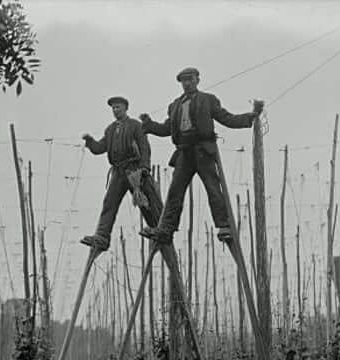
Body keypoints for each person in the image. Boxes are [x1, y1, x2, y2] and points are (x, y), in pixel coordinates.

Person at [139, 67, 262, 244]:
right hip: (183, 152)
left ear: (197, 80)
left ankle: (224, 226)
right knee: (175, 192)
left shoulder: (208, 100)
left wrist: (248, 118)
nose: (187, 83)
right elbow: (167, 129)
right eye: (183, 80)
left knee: (213, 188)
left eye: (190, 79)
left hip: (202, 150)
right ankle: (166, 229)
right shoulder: (175, 105)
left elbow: (226, 118)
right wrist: (149, 125)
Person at [80, 96, 151, 251]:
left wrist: (145, 167)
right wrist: (90, 141)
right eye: (113, 108)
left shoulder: (135, 126)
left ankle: (158, 229)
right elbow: (100, 148)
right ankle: (102, 237)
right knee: (109, 203)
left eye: (118, 107)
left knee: (146, 201)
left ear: (126, 108)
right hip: (118, 172)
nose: (115, 110)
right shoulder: (110, 130)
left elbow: (144, 146)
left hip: (134, 170)